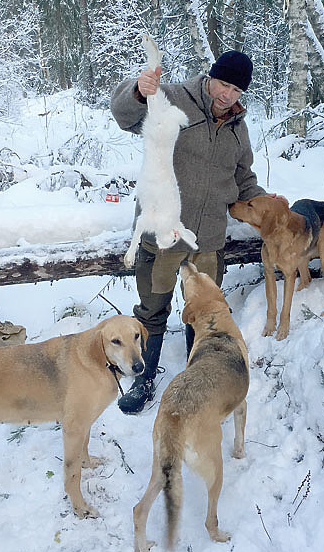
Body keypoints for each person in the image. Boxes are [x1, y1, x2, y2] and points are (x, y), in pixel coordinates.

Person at [110, 50, 267, 414]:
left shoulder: (237, 129)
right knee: (152, 309)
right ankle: (144, 377)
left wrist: (262, 201)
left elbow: (243, 177)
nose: (227, 95)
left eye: (237, 90)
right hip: (163, 235)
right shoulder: (174, 99)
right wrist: (137, 89)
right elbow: (124, 115)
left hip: (208, 240)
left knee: (206, 313)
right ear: (210, 77)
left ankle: (199, 378)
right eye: (223, 84)